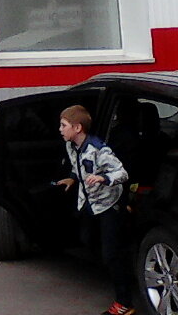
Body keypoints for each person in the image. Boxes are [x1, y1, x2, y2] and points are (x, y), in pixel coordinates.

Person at [57, 105, 136, 315]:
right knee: (87, 239)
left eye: (63, 125)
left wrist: (103, 178)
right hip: (88, 204)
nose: (60, 129)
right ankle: (115, 266)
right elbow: (77, 166)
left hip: (108, 204)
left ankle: (124, 302)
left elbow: (122, 173)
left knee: (111, 253)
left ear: (78, 128)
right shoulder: (71, 146)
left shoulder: (99, 150)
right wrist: (72, 178)